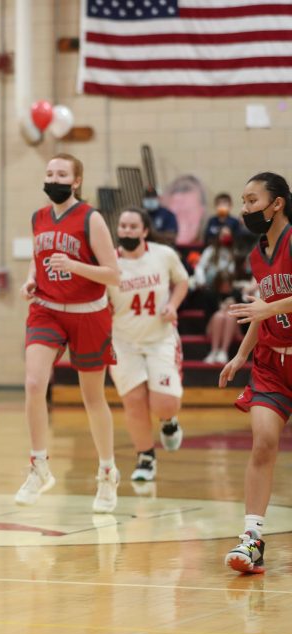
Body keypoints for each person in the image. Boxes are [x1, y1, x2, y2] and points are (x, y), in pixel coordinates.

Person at [18, 153, 121, 513]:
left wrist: (75, 265)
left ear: (76, 181)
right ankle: (38, 466)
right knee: (34, 383)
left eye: (62, 174)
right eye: (49, 173)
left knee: (92, 397)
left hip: (88, 312)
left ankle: (107, 472)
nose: (54, 179)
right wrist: (31, 279)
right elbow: (37, 259)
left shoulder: (91, 218)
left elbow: (113, 274)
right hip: (46, 310)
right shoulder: (38, 217)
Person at [219, 171, 292, 574]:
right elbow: (260, 312)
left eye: (252, 201)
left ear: (276, 203)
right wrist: (240, 355)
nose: (245, 209)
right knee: (263, 442)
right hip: (270, 364)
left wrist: (269, 307)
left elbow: (268, 307)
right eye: (244, 202)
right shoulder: (257, 254)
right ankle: (252, 539)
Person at [107, 208, 189, 483]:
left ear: (144, 230)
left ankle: (169, 421)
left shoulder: (163, 255)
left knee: (164, 404)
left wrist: (172, 305)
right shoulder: (108, 262)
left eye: (133, 226)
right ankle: (145, 457)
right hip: (123, 342)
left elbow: (182, 281)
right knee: (133, 401)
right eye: (123, 226)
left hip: (160, 338)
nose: (127, 230)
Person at [194, 226, 239, 363]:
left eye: (228, 235)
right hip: (209, 287)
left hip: (232, 323)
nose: (226, 238)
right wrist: (201, 281)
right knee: (220, 316)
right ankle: (214, 352)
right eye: (223, 235)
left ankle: (223, 352)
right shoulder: (210, 251)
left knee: (229, 316)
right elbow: (200, 267)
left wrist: (229, 306)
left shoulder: (233, 253)